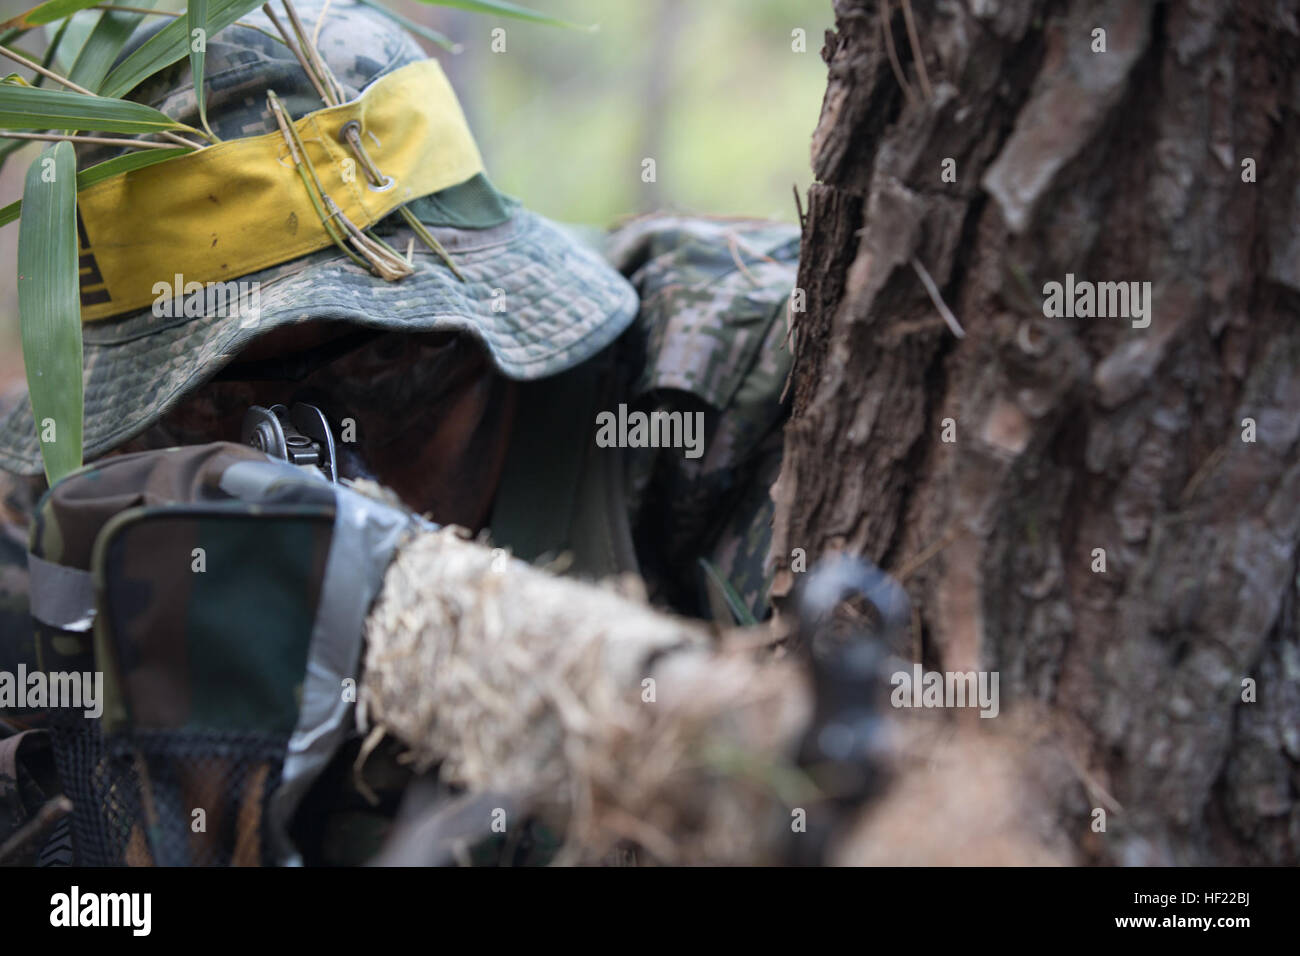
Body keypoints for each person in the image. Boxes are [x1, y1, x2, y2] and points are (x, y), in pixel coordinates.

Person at [0, 0, 805, 865]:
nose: (313, 467)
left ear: (488, 342)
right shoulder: (77, 535)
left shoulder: (721, 380)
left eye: (385, 375)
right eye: (209, 408)